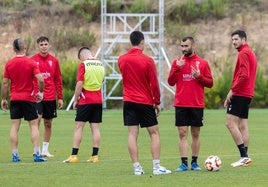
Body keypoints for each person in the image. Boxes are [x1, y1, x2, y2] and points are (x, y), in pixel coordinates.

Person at [118, 31, 171, 176]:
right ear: (142, 42)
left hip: (128, 101)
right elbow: (154, 83)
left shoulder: (121, 59)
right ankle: (156, 167)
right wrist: (157, 102)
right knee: (154, 133)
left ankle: (136, 168)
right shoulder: (147, 61)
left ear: (131, 42)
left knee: (132, 134)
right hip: (144, 101)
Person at [168, 36, 213, 172]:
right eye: (182, 46)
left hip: (196, 104)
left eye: (186, 46)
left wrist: (199, 77)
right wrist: (176, 68)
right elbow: (170, 81)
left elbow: (210, 83)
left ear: (193, 46)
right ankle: (183, 163)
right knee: (182, 133)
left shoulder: (203, 63)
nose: (184, 49)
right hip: (181, 103)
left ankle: (194, 162)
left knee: (195, 133)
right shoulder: (177, 62)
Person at [1, 38, 47, 162]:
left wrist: (4, 99)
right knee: (33, 126)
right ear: (25, 47)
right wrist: (41, 93)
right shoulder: (31, 63)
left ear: (13, 49)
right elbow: (41, 79)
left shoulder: (9, 64)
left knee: (15, 126)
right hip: (28, 98)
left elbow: (5, 83)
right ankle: (37, 154)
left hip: (15, 98)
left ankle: (15, 155)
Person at [63, 47, 105, 163]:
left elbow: (79, 84)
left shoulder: (84, 65)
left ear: (82, 56)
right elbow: (102, 81)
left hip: (86, 100)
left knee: (78, 127)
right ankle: (95, 156)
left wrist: (76, 100)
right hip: (97, 100)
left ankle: (74, 155)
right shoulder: (100, 64)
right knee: (95, 128)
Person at [224, 30, 257, 167]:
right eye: (232, 40)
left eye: (236, 39)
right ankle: (246, 158)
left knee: (230, 123)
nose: (234, 42)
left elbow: (244, 75)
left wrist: (232, 91)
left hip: (240, 93)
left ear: (244, 39)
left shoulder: (244, 53)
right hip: (247, 93)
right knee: (243, 125)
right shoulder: (250, 52)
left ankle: (243, 156)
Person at [31, 36, 63, 157]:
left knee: (48, 123)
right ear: (37, 46)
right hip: (37, 97)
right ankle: (36, 149)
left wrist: (60, 97)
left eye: (45, 44)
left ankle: (45, 150)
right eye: (41, 44)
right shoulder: (33, 60)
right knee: (37, 121)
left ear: (49, 46)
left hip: (50, 97)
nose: (44, 46)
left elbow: (58, 79)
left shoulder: (54, 61)